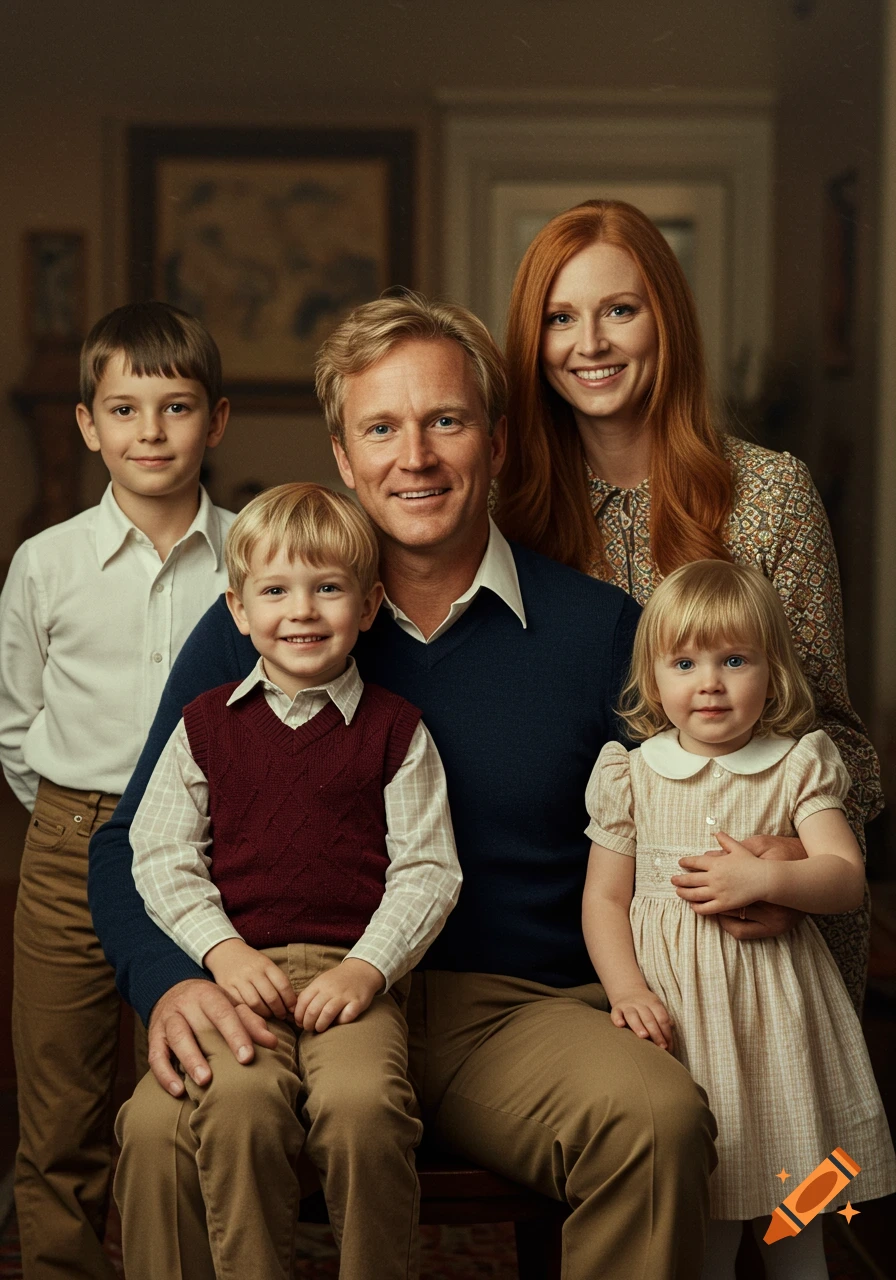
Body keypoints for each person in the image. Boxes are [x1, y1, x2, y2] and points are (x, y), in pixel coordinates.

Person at [90, 293, 718, 1280]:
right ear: (343, 455)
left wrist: (768, 854)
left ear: (497, 441)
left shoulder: (599, 629)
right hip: (277, 996)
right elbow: (125, 841)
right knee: (164, 1129)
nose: (413, 456)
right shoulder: (265, 619)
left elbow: (689, 801)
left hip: (509, 1011)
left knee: (658, 1117)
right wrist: (168, 981)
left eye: (445, 421)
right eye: (380, 427)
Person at [494, 198, 883, 1009]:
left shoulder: (770, 494)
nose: (590, 344)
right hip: (587, 941)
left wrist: (790, 863)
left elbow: (840, 737)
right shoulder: (506, 518)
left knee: (811, 1139)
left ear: (665, 319)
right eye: (560, 318)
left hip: (764, 930)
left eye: (620, 311)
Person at [127, 480, 461, 1279]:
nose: (302, 610)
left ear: (370, 604)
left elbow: (427, 870)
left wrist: (365, 968)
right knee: (237, 1105)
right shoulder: (204, 726)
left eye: (328, 588)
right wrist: (222, 953)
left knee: (365, 1111)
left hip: (355, 980)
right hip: (240, 975)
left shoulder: (396, 731)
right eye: (275, 590)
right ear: (239, 612)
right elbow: (161, 855)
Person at [0, 300, 232, 1279]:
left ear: (214, 420)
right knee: (58, 1105)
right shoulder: (44, 564)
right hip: (67, 842)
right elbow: (18, 724)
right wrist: (75, 815)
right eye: (124, 408)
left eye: (174, 406)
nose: (150, 430)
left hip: (213, 854)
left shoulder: (255, 553)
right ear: (88, 423)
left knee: (192, 1092)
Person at [583, 559, 896, 1280]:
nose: (711, 682)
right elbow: (603, 898)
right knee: (705, 1225)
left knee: (797, 1222)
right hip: (684, 1025)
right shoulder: (630, 774)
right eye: (685, 662)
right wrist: (628, 991)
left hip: (782, 1026)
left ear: (772, 671)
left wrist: (768, 876)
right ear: (654, 677)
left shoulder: (796, 765)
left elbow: (845, 878)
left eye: (734, 660)